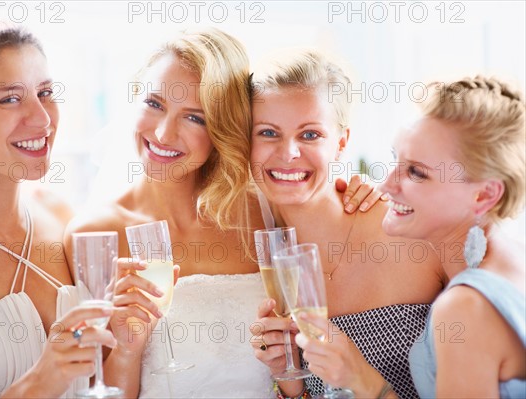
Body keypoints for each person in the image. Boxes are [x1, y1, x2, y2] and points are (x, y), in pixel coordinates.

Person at [65, 29, 379, 398]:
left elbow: (297, 368)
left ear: (223, 128)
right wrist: (128, 349)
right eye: (154, 103)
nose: (164, 133)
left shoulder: (266, 211)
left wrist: (364, 186)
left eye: (195, 118)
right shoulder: (94, 235)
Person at [0, 26, 118, 398]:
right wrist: (40, 382)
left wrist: (130, 339)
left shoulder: (60, 217)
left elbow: (103, 382)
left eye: (45, 93)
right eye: (10, 99)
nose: (43, 120)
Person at [247, 49, 447, 399]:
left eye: (310, 135)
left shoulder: (410, 231)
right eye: (267, 133)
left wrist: (364, 380)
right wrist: (289, 380)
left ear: (341, 143)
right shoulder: (264, 259)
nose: (288, 152)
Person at [376, 76, 524, 397]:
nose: (385, 185)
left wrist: (365, 383)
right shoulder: (511, 255)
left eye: (416, 172)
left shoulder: (464, 309)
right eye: (394, 160)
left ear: (484, 195)